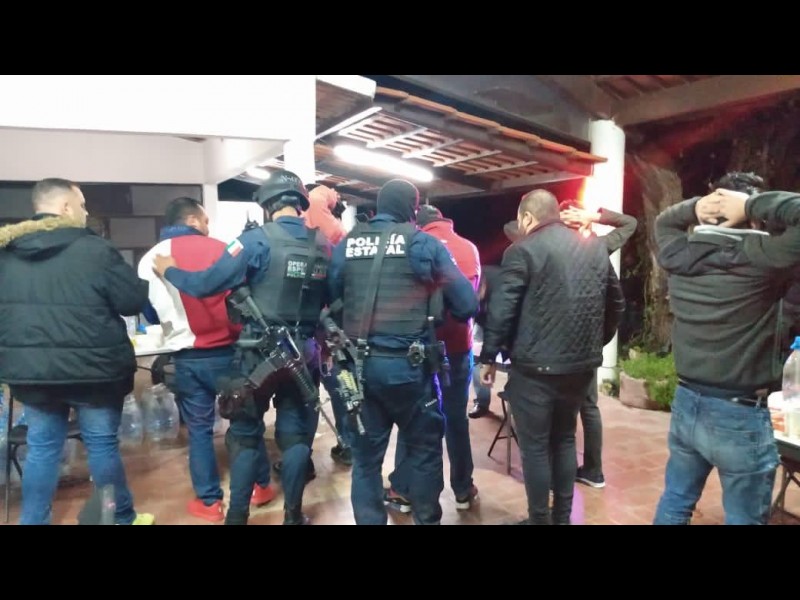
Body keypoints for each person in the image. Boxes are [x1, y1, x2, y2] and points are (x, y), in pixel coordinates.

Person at [153, 169, 330, 525]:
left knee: (246, 436)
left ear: (267, 205)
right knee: (296, 437)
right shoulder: (323, 244)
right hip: (304, 355)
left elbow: (205, 285)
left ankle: (237, 517)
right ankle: (293, 516)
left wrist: (170, 270)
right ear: (300, 203)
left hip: (257, 357)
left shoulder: (253, 242)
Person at [0, 177, 154, 525]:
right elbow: (131, 302)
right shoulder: (95, 250)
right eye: (82, 204)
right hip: (94, 371)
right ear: (66, 206)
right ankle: (119, 519)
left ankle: (32, 521)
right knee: (101, 445)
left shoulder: (6, 253)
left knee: (42, 448)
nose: (86, 212)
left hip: (33, 371)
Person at [652, 172, 799, 525]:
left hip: (688, 402)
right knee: (743, 518)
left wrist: (695, 208)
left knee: (676, 500)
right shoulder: (765, 259)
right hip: (740, 413)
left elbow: (664, 222)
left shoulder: (679, 255)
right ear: (752, 217)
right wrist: (751, 205)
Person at [328, 179, 478, 525]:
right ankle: (426, 519)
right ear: (412, 209)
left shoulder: (349, 242)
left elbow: (332, 297)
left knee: (366, 461)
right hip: (411, 371)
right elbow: (467, 304)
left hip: (360, 369)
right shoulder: (422, 242)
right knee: (424, 454)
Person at [480, 189, 624, 525]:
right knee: (564, 440)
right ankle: (562, 518)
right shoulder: (594, 248)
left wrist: (489, 357)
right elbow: (616, 304)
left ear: (528, 218)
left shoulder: (522, 250)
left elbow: (502, 310)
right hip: (580, 367)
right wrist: (594, 344)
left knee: (535, 448)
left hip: (535, 371)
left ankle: (539, 519)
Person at [138, 197, 276, 522]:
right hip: (232, 354)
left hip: (187, 359)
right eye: (205, 220)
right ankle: (260, 486)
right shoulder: (225, 249)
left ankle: (209, 502)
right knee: (245, 424)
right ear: (193, 220)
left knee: (199, 430)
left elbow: (148, 313)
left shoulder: (150, 259)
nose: (208, 226)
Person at [385, 204, 481, 513]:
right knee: (456, 420)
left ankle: (402, 491)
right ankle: (463, 490)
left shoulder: (414, 248)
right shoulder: (469, 248)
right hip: (459, 348)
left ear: (418, 224)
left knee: (412, 419)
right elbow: (471, 297)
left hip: (420, 349)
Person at [557, 200, 638, 489]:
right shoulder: (596, 248)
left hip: (569, 344)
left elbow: (631, 223)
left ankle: (575, 471)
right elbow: (512, 227)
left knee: (571, 408)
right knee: (585, 406)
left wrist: (592, 216)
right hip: (583, 343)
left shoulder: (588, 247)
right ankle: (590, 471)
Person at [303, 183, 352, 466]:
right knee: (340, 388)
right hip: (334, 328)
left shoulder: (300, 236)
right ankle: (347, 444)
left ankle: (302, 455)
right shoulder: (339, 241)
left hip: (306, 328)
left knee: (305, 394)